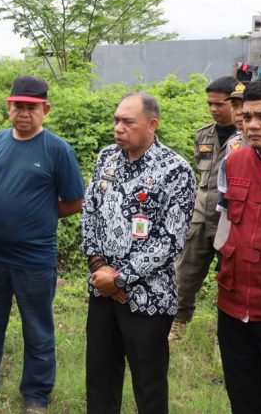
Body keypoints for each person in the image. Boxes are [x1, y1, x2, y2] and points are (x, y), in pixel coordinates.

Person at [0, 75, 84, 413]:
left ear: (46, 110)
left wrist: (41, 212)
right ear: (8, 107)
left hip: (35, 258)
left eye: (32, 107)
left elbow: (75, 201)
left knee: (37, 327)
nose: (24, 113)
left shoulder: (57, 150)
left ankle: (37, 393)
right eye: (18, 106)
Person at [81, 92, 195, 414]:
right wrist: (100, 267)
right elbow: (90, 214)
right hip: (102, 289)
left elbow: (170, 240)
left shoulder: (176, 170)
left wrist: (121, 278)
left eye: (128, 122)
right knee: (100, 379)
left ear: (151, 125)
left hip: (149, 297)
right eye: (116, 120)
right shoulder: (106, 158)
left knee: (149, 384)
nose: (118, 128)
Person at [215, 78, 261, 413]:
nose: (252, 125)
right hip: (234, 309)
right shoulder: (234, 163)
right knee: (244, 400)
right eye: (248, 116)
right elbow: (224, 231)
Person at [170, 75, 237, 341]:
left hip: (230, 220)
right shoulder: (203, 135)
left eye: (219, 104)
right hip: (200, 216)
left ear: (235, 102)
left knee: (230, 277)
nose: (213, 109)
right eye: (210, 103)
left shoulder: (246, 136)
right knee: (185, 272)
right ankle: (177, 323)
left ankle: (230, 333)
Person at [214, 81, 247, 252]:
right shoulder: (234, 143)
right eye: (235, 106)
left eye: (244, 105)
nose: (239, 112)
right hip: (229, 227)